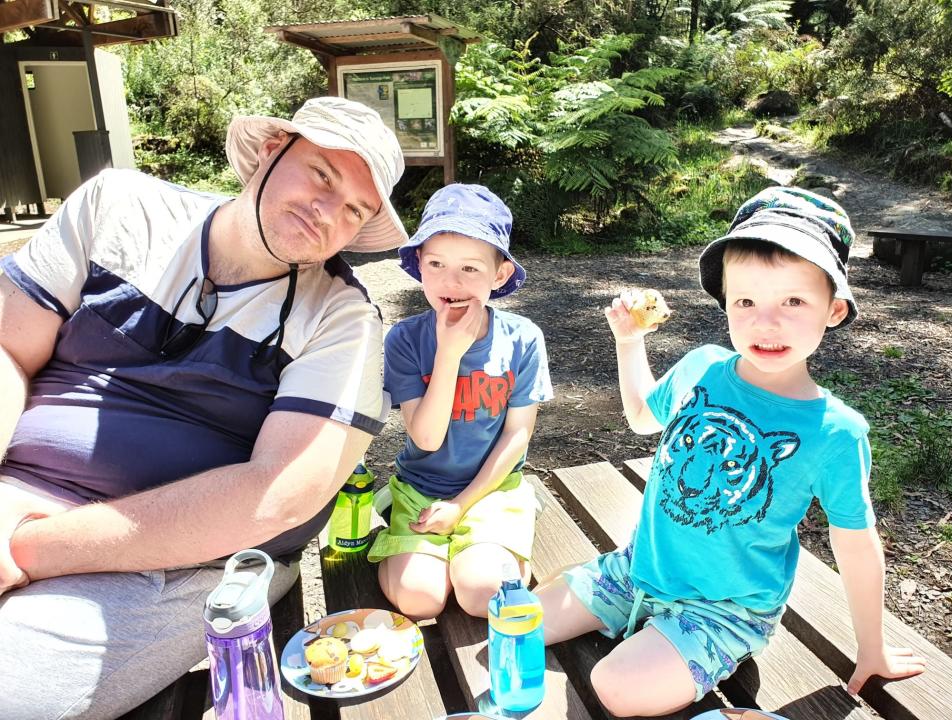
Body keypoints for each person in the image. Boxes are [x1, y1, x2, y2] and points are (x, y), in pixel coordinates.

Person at [0, 96, 407, 720]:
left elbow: (277, 495)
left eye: (355, 208)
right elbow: (8, 348)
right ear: (272, 151)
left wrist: (30, 547)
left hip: (177, 558)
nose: (329, 212)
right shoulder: (118, 209)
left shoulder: (341, 318)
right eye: (322, 174)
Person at [534, 187, 927, 717]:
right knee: (517, 622)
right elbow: (641, 418)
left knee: (615, 687)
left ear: (834, 310)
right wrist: (629, 343)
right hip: (640, 570)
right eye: (746, 301)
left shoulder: (834, 431)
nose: (765, 322)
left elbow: (856, 544)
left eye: (793, 300)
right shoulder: (702, 367)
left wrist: (872, 646)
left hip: (726, 609)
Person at [368, 184, 553, 619]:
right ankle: (425, 543)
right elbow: (427, 439)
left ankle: (491, 538)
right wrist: (448, 352)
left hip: (491, 488)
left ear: (501, 275)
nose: (451, 283)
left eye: (471, 268)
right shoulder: (405, 340)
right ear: (419, 267)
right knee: (419, 600)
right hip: (421, 488)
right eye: (436, 264)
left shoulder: (523, 338)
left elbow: (517, 435)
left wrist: (461, 505)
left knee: (481, 594)